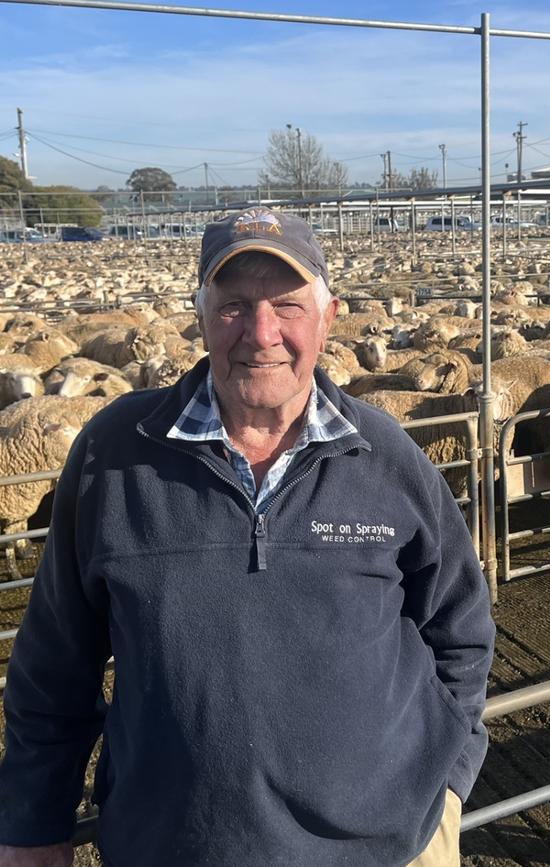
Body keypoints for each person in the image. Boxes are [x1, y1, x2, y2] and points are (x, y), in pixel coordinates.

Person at [0, 207, 494, 867]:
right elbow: (52, 666)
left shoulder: (386, 456)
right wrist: (33, 827)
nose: (262, 333)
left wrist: (449, 783)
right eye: (233, 305)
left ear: (328, 316)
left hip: (384, 851)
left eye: (288, 304)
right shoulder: (114, 457)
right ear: (198, 314)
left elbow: (462, 629)